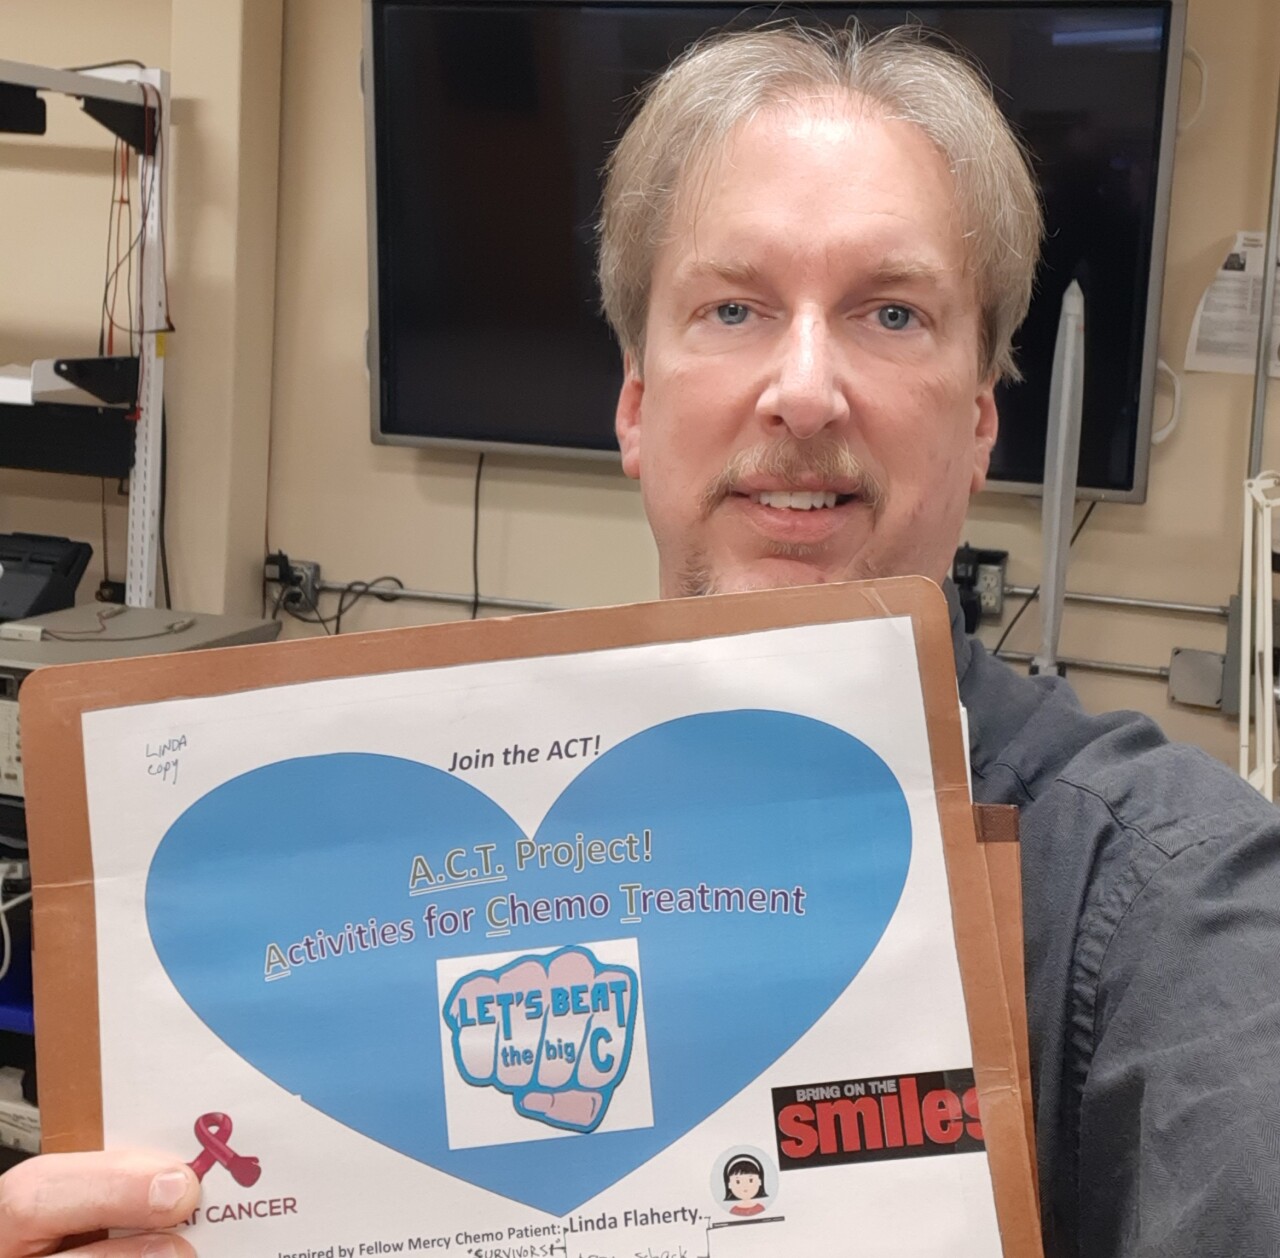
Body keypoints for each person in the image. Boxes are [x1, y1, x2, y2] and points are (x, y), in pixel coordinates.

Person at [4, 21, 1280, 1258]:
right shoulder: (356, 866)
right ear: (632, 406)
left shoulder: (1168, 889)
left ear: (980, 426)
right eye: (732, 309)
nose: (801, 389)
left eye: (890, 314)